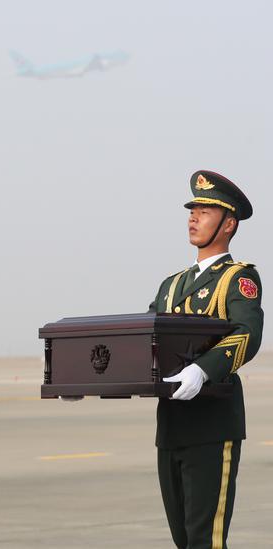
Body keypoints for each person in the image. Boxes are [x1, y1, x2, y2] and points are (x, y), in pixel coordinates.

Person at [148, 170, 262, 549]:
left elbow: (247, 333)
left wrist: (202, 369)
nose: (193, 217)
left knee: (205, 541)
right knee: (183, 539)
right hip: (172, 426)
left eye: (205, 211)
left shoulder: (238, 278)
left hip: (212, 425)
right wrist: (88, 377)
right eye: (192, 209)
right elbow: (145, 342)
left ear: (228, 224)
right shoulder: (171, 284)